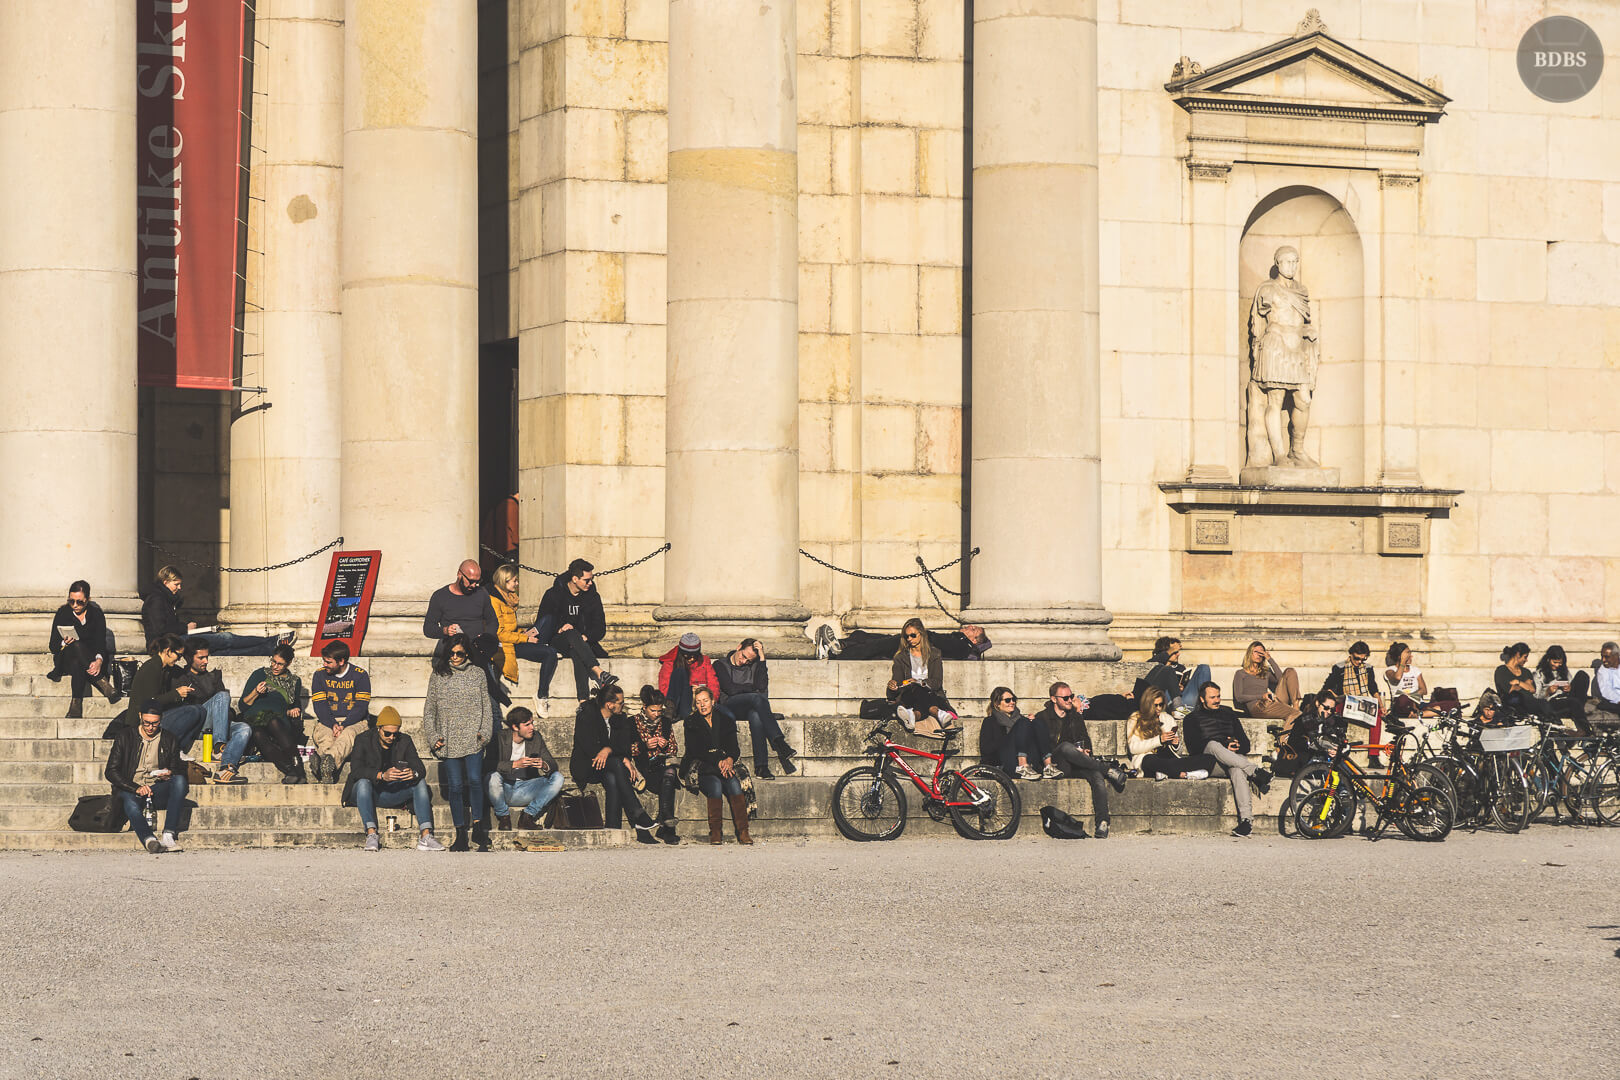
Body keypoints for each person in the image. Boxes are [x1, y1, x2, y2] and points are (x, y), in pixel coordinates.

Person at [423, 633, 494, 852]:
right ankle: (460, 832)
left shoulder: (477, 674)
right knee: (454, 786)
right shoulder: (438, 675)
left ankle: (479, 828)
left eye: (460, 653)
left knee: (474, 780)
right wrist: (433, 736)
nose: (455, 657)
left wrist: (485, 732)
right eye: (452, 653)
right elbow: (429, 709)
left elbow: (486, 705)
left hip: (473, 737)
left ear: (467, 653)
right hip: (449, 739)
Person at [1033, 681, 1127, 838]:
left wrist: (1085, 750)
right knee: (1065, 747)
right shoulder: (1042, 718)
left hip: (1076, 762)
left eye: (1071, 696)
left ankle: (1103, 823)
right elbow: (1041, 748)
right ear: (1054, 699)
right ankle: (1108, 770)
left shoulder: (1075, 717)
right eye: (1066, 698)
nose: (1070, 700)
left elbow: (1085, 739)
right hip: (1056, 764)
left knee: (1096, 776)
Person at [344, 706, 444, 851]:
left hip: (391, 792)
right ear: (379, 728)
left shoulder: (404, 740)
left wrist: (413, 773)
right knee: (363, 783)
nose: (391, 737)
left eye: (395, 734)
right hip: (365, 793)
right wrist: (381, 775)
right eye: (387, 733)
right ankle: (371, 834)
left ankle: (426, 836)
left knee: (420, 782)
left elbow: (420, 769)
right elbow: (356, 770)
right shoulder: (363, 739)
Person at [569, 682, 658, 842]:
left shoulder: (620, 718)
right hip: (586, 764)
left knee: (613, 777)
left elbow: (624, 746)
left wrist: (610, 751)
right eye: (620, 703)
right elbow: (588, 747)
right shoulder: (587, 714)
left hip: (609, 765)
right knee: (617, 765)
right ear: (609, 705)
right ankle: (638, 813)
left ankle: (613, 827)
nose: (623, 706)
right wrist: (614, 753)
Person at [140, 564, 293, 656]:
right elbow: (160, 629)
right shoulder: (156, 599)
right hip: (165, 645)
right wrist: (185, 628)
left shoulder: (164, 599)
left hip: (171, 642)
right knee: (226, 638)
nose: (179, 588)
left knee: (222, 652)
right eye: (176, 585)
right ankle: (272, 641)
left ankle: (267, 648)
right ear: (165, 582)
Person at [1184, 682, 1272, 837]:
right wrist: (1224, 745)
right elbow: (1194, 748)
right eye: (1212, 697)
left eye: (1218, 696)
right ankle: (1254, 771)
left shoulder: (1229, 714)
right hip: (1210, 762)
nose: (1217, 700)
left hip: (1233, 761)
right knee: (1212, 744)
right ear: (1202, 699)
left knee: (1238, 770)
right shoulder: (1191, 718)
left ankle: (1246, 822)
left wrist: (1236, 746)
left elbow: (1246, 744)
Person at [105, 700, 189, 853]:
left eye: (154, 724)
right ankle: (149, 839)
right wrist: (136, 788)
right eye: (146, 723)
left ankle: (168, 834)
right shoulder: (125, 736)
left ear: (161, 720)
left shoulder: (169, 739)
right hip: (130, 788)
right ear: (140, 717)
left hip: (155, 788)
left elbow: (177, 768)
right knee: (130, 802)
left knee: (180, 781)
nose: (150, 727)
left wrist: (168, 773)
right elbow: (111, 771)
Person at [715, 638, 798, 780]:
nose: (743, 661)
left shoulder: (754, 666)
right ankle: (780, 742)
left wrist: (762, 659)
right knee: (756, 698)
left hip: (748, 707)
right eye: (743, 656)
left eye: (748, 660)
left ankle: (761, 767)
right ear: (739, 647)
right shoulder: (720, 664)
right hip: (728, 705)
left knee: (756, 715)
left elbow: (762, 687)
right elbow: (731, 689)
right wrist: (752, 690)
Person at [680, 684, 751, 845]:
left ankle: (743, 831)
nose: (702, 705)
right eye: (698, 702)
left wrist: (730, 759)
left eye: (705, 700)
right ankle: (716, 831)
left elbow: (733, 746)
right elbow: (696, 750)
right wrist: (718, 760)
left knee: (734, 784)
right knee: (715, 786)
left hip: (723, 764)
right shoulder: (691, 722)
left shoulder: (725, 720)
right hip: (702, 766)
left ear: (713, 701)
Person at [537, 558, 617, 700]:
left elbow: (600, 627)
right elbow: (542, 622)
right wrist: (559, 629)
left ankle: (583, 700)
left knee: (576, 648)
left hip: (582, 642)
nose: (590, 583)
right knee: (571, 632)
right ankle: (599, 672)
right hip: (557, 641)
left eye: (591, 579)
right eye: (586, 580)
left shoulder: (592, 597)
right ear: (575, 579)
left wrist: (586, 637)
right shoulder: (554, 595)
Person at [173, 642, 252, 781]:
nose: (206, 661)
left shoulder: (214, 677)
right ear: (190, 658)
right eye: (201, 658)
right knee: (222, 695)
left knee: (244, 728)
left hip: (216, 727)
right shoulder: (180, 678)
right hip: (196, 725)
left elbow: (223, 708)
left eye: (207, 657)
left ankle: (226, 768)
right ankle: (218, 747)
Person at [47, 580, 121, 718]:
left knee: (78, 663)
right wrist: (63, 642)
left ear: (88, 600)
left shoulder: (96, 614)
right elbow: (53, 645)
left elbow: (100, 641)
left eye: (79, 602)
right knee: (75, 645)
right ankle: (102, 682)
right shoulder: (63, 613)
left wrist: (99, 661)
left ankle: (76, 704)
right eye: (71, 601)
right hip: (65, 658)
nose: (75, 605)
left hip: (90, 659)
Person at [488, 563, 559, 700]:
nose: (517, 584)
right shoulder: (494, 602)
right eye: (514, 580)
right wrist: (525, 638)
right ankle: (542, 696)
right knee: (551, 653)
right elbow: (500, 634)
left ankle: (541, 645)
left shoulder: (508, 598)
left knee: (548, 619)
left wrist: (524, 632)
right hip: (508, 645)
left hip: (516, 638)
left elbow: (510, 628)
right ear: (505, 581)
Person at [239, 644, 309, 784]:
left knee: (273, 722)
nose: (275, 666)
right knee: (258, 733)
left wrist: (295, 709)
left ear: (288, 664)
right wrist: (256, 692)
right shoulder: (259, 674)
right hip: (255, 718)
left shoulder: (295, 681)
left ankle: (295, 770)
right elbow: (242, 706)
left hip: (279, 722)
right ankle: (294, 770)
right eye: (273, 661)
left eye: (280, 664)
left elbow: (294, 704)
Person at [486, 706, 565, 830]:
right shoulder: (499, 738)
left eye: (532, 723)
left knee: (558, 777)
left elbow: (552, 764)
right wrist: (514, 764)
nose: (532, 728)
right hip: (504, 789)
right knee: (492, 777)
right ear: (515, 727)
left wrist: (544, 765)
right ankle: (504, 817)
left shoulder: (536, 737)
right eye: (527, 725)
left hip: (527, 788)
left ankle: (527, 816)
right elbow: (487, 765)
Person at [308, 640, 371, 784]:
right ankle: (325, 765)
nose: (324, 665)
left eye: (328, 662)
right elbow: (320, 705)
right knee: (325, 736)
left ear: (341, 661)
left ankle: (325, 760)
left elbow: (361, 706)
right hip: (328, 720)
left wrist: (344, 724)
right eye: (324, 661)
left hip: (355, 720)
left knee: (347, 736)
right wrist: (332, 724)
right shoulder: (319, 675)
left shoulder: (360, 675)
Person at [1125, 686, 1215, 780]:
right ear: (1148, 704)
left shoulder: (1167, 718)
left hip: (1168, 759)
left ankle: (1167, 772)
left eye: (1161, 704)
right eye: (1155, 705)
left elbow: (1178, 753)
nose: (1159, 708)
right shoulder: (1135, 718)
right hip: (1146, 759)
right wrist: (1159, 740)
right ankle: (1184, 774)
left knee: (1209, 759)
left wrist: (1175, 745)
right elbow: (1133, 748)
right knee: (1151, 760)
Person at [887, 618, 959, 733]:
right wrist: (893, 685)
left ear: (921, 634)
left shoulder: (934, 654)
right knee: (916, 688)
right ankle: (936, 712)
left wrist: (920, 682)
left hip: (932, 695)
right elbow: (898, 681)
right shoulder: (901, 657)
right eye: (906, 636)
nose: (909, 639)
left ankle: (913, 716)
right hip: (909, 695)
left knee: (921, 692)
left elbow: (937, 682)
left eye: (913, 635)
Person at [630, 685, 682, 844]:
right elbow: (627, 749)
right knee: (670, 777)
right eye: (653, 711)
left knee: (670, 773)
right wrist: (645, 745)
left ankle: (665, 818)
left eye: (659, 711)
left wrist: (665, 744)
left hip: (662, 766)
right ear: (644, 707)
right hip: (644, 769)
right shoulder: (633, 722)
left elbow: (674, 748)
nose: (657, 714)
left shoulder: (665, 722)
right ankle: (667, 828)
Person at [977, 687, 1053, 781]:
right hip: (1004, 762)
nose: (1012, 702)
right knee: (1023, 723)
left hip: (1029, 761)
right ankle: (1022, 766)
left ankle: (1048, 766)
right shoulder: (990, 722)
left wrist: (1031, 726)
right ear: (997, 704)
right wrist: (1010, 737)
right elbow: (986, 749)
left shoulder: (1022, 720)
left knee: (1037, 722)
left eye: (1014, 699)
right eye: (1007, 700)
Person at [423, 559, 499, 644]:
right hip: (454, 651)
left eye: (477, 582)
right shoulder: (440, 596)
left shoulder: (481, 593)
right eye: (471, 581)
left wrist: (486, 637)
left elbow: (492, 621)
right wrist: (445, 630)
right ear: (459, 574)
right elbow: (428, 629)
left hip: (478, 650)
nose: (474, 585)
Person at [1232, 640, 1302, 724]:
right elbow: (1239, 697)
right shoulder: (1240, 673)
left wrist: (1270, 659)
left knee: (1290, 671)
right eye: (1256, 652)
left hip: (1271, 703)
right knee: (1296, 715)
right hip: (1257, 707)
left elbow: (1282, 680)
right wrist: (1261, 696)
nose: (1259, 654)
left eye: (1261, 652)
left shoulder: (1265, 672)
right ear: (1249, 654)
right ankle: (1289, 729)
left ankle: (1296, 705)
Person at [1139, 636, 1211, 716]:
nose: (1178, 654)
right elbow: (1149, 664)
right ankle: (1177, 708)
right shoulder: (1155, 665)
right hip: (1168, 702)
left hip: (1185, 701)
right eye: (1175, 652)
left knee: (1204, 668)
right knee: (1167, 670)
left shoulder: (1180, 667)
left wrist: (1182, 687)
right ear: (1165, 651)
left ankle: (1207, 706)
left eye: (1178, 651)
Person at [657, 631, 719, 719]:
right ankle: (670, 710)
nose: (692, 659)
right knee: (680, 671)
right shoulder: (670, 663)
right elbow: (664, 688)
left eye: (695, 655)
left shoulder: (704, 661)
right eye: (688, 656)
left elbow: (714, 684)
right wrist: (690, 690)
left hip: (700, 703)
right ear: (682, 654)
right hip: (681, 704)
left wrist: (705, 694)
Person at [1533, 645, 1590, 728]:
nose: (1557, 665)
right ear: (1548, 660)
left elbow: (1572, 685)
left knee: (1582, 675)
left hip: (1567, 697)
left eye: (1559, 663)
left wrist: (1569, 688)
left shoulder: (1564, 671)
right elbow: (1536, 697)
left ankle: (1578, 707)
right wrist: (1547, 691)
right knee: (1574, 702)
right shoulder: (1538, 675)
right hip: (1553, 701)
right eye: (1554, 662)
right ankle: (1585, 729)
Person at [1494, 643, 1550, 722]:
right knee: (1541, 704)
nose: (1526, 660)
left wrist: (1518, 682)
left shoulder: (1525, 672)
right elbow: (1510, 690)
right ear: (1518, 655)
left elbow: (1533, 689)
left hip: (1529, 702)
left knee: (1544, 704)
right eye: (1525, 657)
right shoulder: (1502, 670)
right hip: (1513, 703)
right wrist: (1526, 684)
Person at [1383, 641, 1431, 718]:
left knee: (1451, 705)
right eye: (1407, 653)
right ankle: (1416, 712)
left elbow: (1424, 690)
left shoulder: (1415, 670)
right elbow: (1397, 677)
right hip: (1401, 705)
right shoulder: (1390, 670)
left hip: (1417, 703)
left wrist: (1412, 697)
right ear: (1399, 656)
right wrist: (1402, 662)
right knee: (1403, 699)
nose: (1411, 656)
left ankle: (1417, 714)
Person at [1588, 642, 1620, 725]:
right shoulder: (1602, 671)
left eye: (1607, 657)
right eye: (1602, 656)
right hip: (1612, 703)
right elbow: (1606, 691)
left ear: (1616, 656)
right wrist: (1618, 700)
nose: (1603, 660)